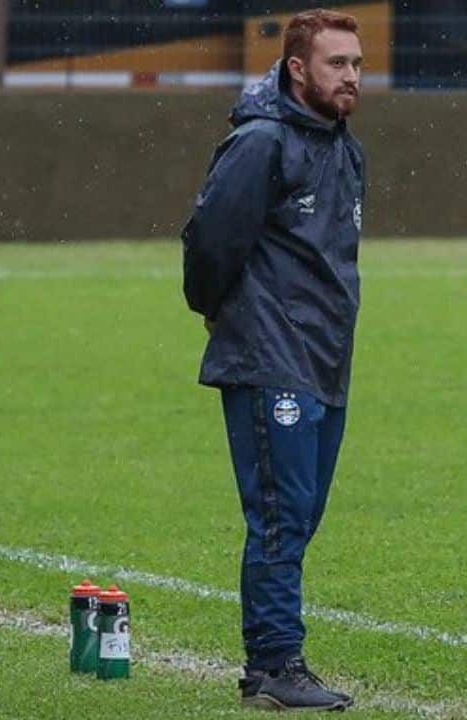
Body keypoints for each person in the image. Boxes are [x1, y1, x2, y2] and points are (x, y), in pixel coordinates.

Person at [181, 7, 365, 713]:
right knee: (281, 517)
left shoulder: (347, 149)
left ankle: (273, 665)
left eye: (355, 64)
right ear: (297, 69)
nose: (350, 77)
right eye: (335, 64)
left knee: (302, 515)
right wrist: (215, 307)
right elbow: (209, 242)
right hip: (268, 353)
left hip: (325, 359)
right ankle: (274, 666)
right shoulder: (260, 144)